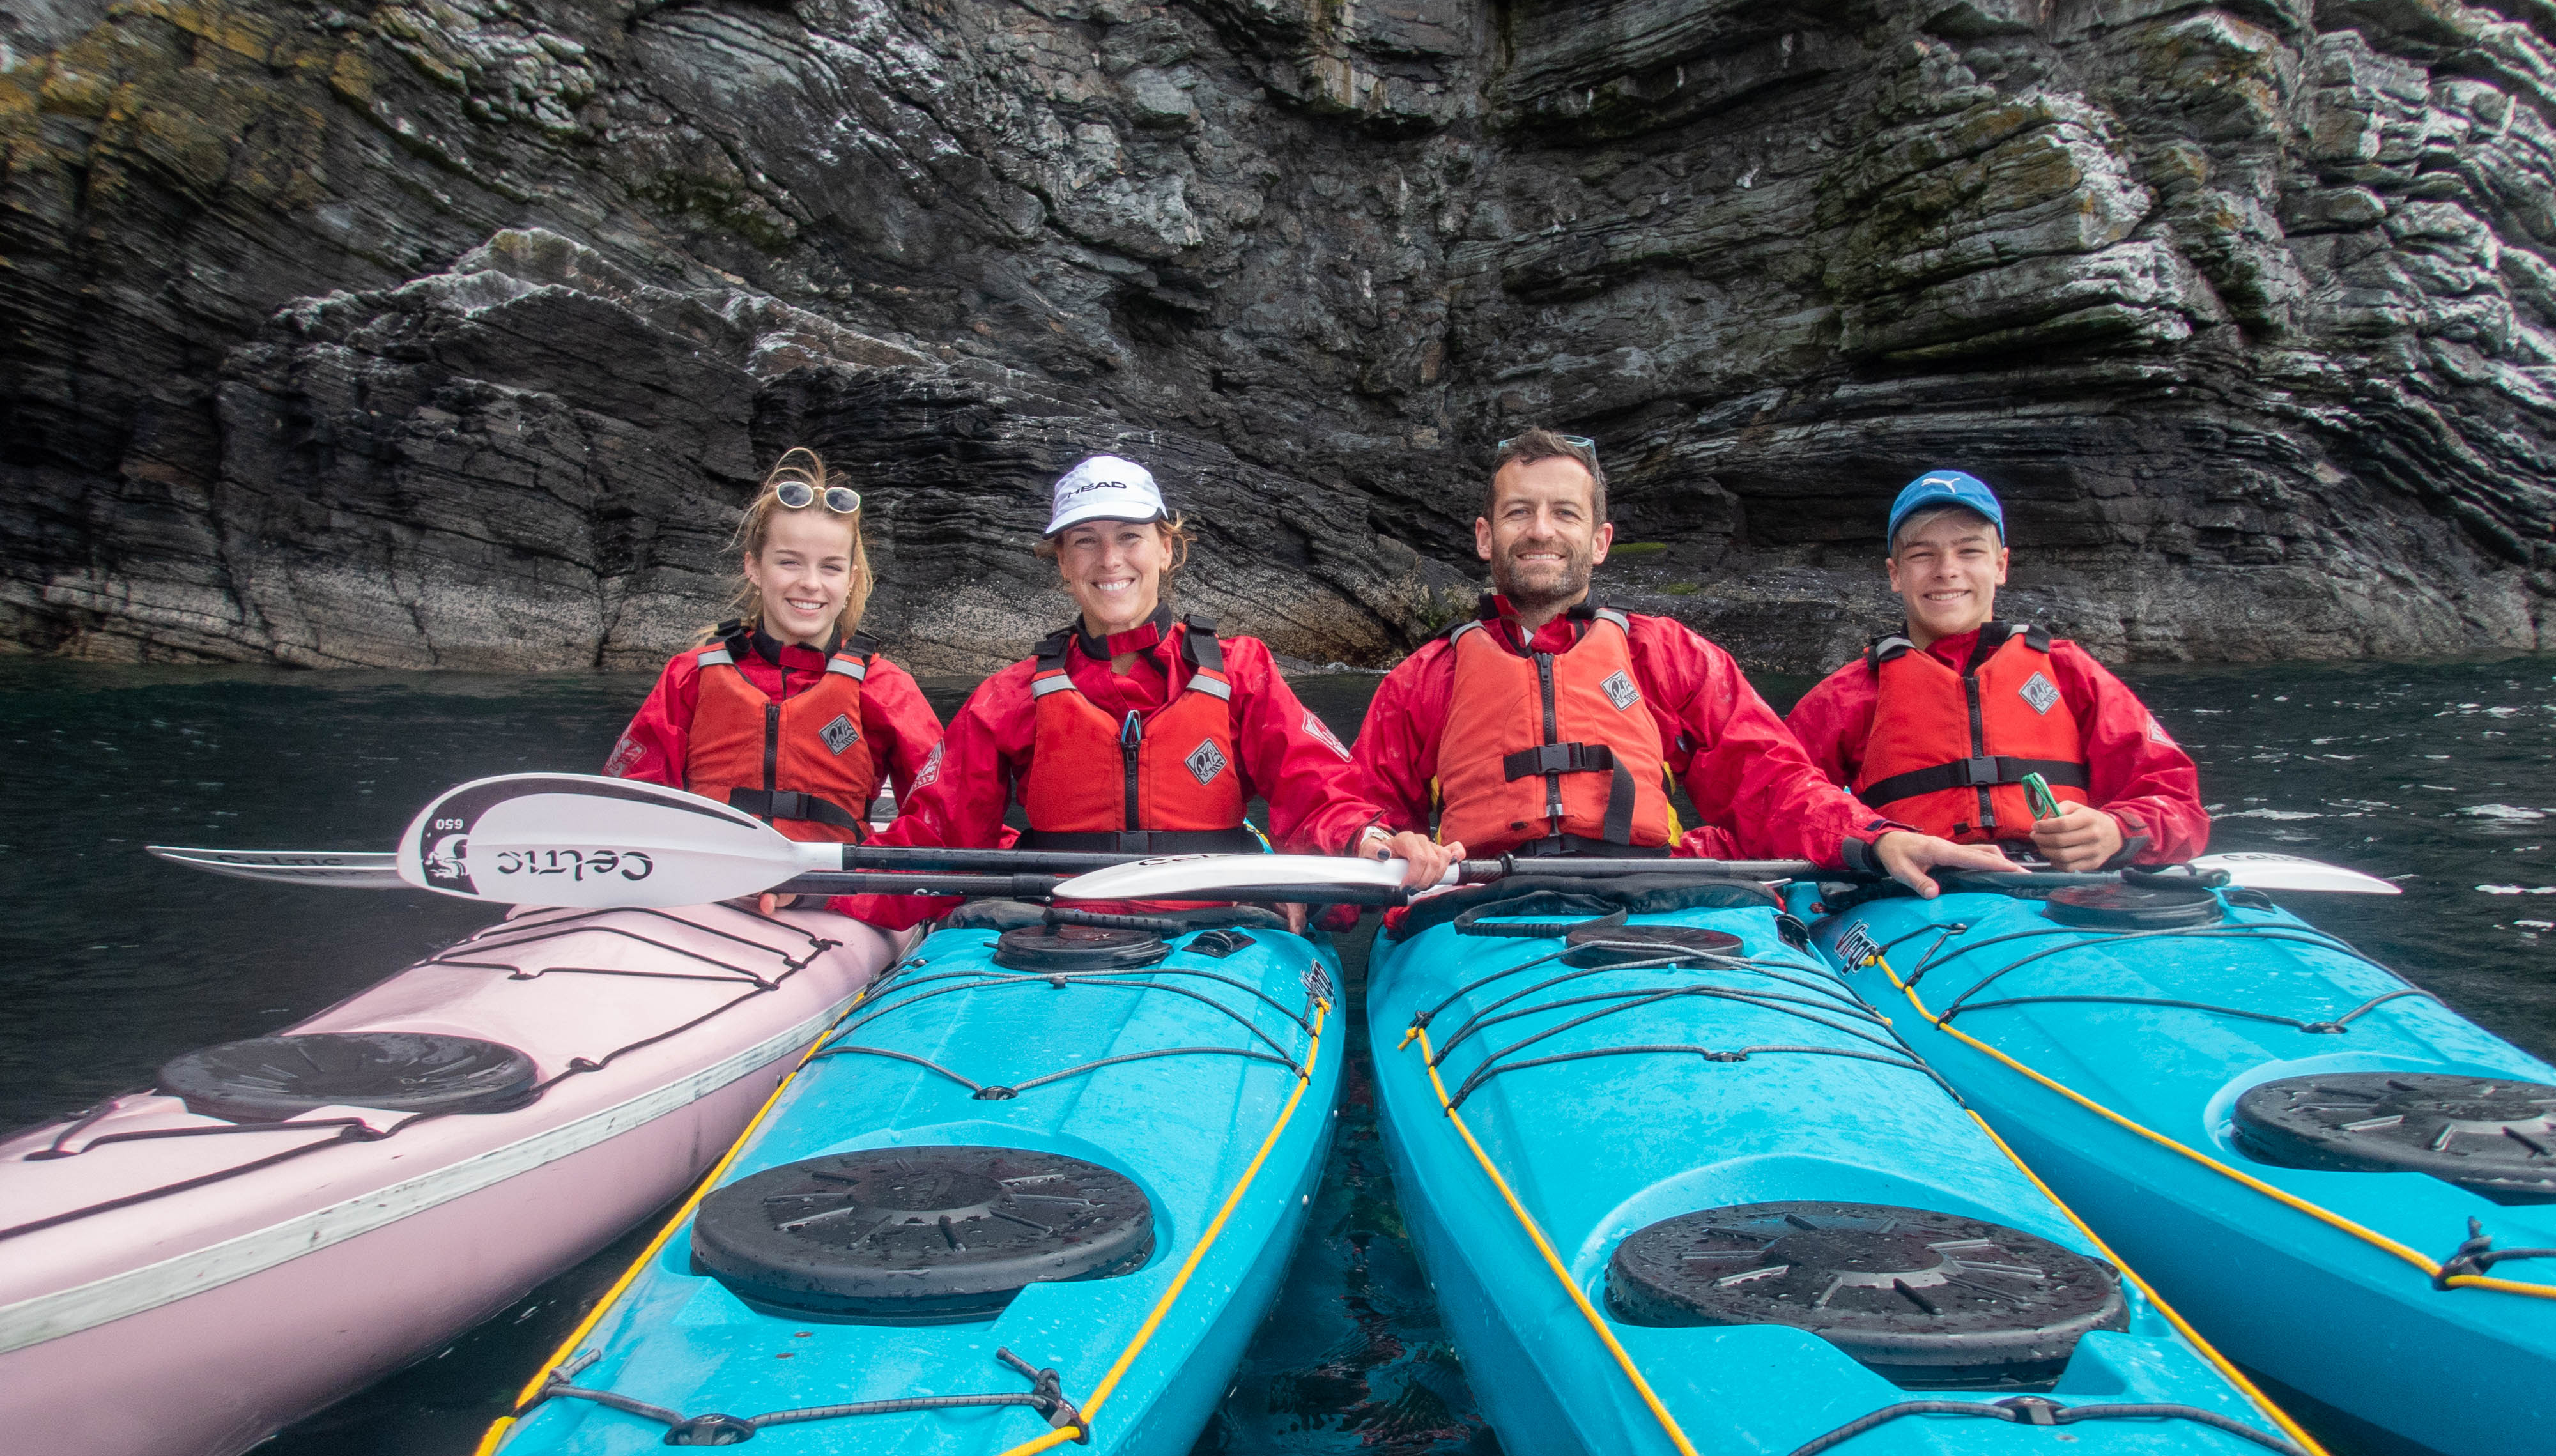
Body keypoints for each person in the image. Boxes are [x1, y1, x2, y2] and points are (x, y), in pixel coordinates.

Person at [1351, 429, 2011, 896]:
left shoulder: (1668, 656)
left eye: (1565, 513)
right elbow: (1357, 813)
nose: (1542, 531)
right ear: (1485, 536)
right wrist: (1383, 843)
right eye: (1519, 512)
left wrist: (1874, 838)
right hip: (1481, 900)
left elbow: (1773, 784)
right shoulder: (1424, 679)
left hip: (1645, 892)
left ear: (1600, 541)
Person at [833, 453, 1443, 928]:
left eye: (1129, 536)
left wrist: (1368, 839)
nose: (1109, 559)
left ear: (1165, 548)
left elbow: (1319, 794)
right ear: (1064, 564)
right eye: (1085, 541)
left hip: (1214, 925)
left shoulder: (1242, 672)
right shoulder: (1010, 696)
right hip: (1058, 926)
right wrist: (823, 892)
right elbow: (938, 833)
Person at [1785, 469, 2209, 870]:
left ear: (2001, 565)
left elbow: (2178, 804)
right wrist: (1870, 840)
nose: (1947, 570)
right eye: (1922, 555)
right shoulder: (1847, 695)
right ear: (1896, 574)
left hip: (2059, 888)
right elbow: (1778, 805)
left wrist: (2117, 832)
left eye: (1969, 550)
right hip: (1915, 897)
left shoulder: (2069, 673)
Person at [604, 448, 944, 871]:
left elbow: (942, 817)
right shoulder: (689, 676)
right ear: (754, 567)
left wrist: (833, 895)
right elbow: (634, 799)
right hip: (703, 882)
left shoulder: (886, 688)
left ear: (851, 580)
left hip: (830, 892)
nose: (810, 584)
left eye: (831, 568)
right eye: (789, 562)